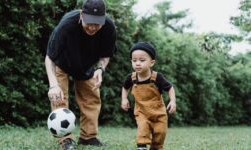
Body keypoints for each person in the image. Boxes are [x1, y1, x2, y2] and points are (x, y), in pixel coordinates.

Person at [45, 0, 116, 149]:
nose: (92, 27)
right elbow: (49, 57)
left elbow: (106, 55)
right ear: (81, 15)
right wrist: (53, 85)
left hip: (86, 65)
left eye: (97, 23)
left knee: (91, 98)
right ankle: (65, 140)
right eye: (89, 22)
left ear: (103, 19)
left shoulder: (108, 27)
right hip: (62, 62)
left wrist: (100, 69)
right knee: (59, 99)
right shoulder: (66, 25)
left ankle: (88, 137)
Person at [121, 42, 176, 150]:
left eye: (142, 60)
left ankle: (155, 147)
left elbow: (170, 88)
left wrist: (172, 101)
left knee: (160, 132)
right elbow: (125, 87)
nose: (137, 63)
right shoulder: (131, 78)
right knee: (142, 127)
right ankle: (141, 147)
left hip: (158, 112)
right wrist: (124, 99)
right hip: (141, 111)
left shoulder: (157, 77)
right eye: (134, 60)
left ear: (151, 62)